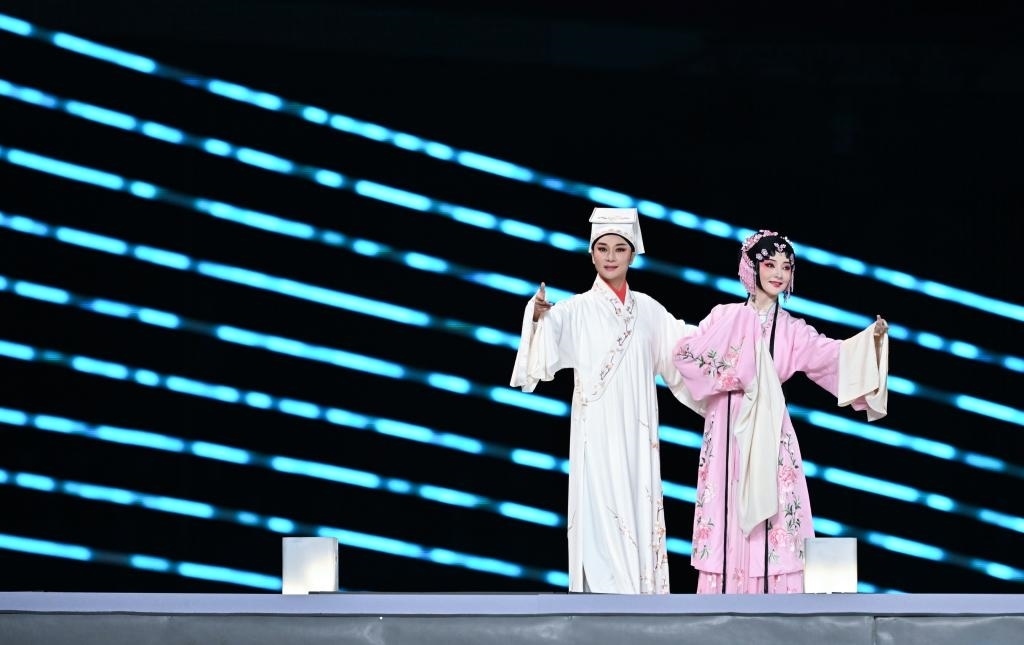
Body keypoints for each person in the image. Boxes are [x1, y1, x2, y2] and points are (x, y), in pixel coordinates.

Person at [671, 230, 889, 594]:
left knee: (775, 513)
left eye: (786, 267)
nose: (778, 273)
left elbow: (831, 355)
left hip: (770, 429)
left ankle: (773, 601)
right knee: (725, 506)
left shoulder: (791, 330)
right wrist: (738, 372)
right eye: (770, 264)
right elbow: (686, 356)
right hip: (726, 428)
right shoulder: (723, 317)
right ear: (751, 267)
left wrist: (872, 343)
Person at [510, 207, 702, 594]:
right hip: (595, 431)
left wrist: (729, 339)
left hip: (638, 430)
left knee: (637, 501)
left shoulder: (650, 311)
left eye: (619, 249)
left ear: (632, 254)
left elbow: (685, 346)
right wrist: (537, 316)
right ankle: (604, 597)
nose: (610, 257)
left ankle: (641, 596)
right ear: (591, 253)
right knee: (599, 511)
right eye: (602, 248)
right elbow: (544, 347)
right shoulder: (576, 310)